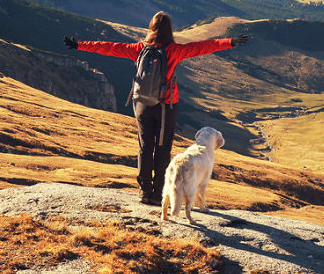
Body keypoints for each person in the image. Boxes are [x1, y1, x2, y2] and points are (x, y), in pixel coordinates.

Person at [63, 11, 248, 205]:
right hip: (166, 105)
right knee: (163, 148)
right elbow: (201, 47)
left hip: (142, 104)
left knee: (145, 147)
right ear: (170, 30)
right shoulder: (173, 50)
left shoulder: (139, 49)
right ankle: (159, 192)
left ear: (151, 28)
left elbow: (109, 47)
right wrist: (229, 42)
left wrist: (79, 45)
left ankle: (144, 192)